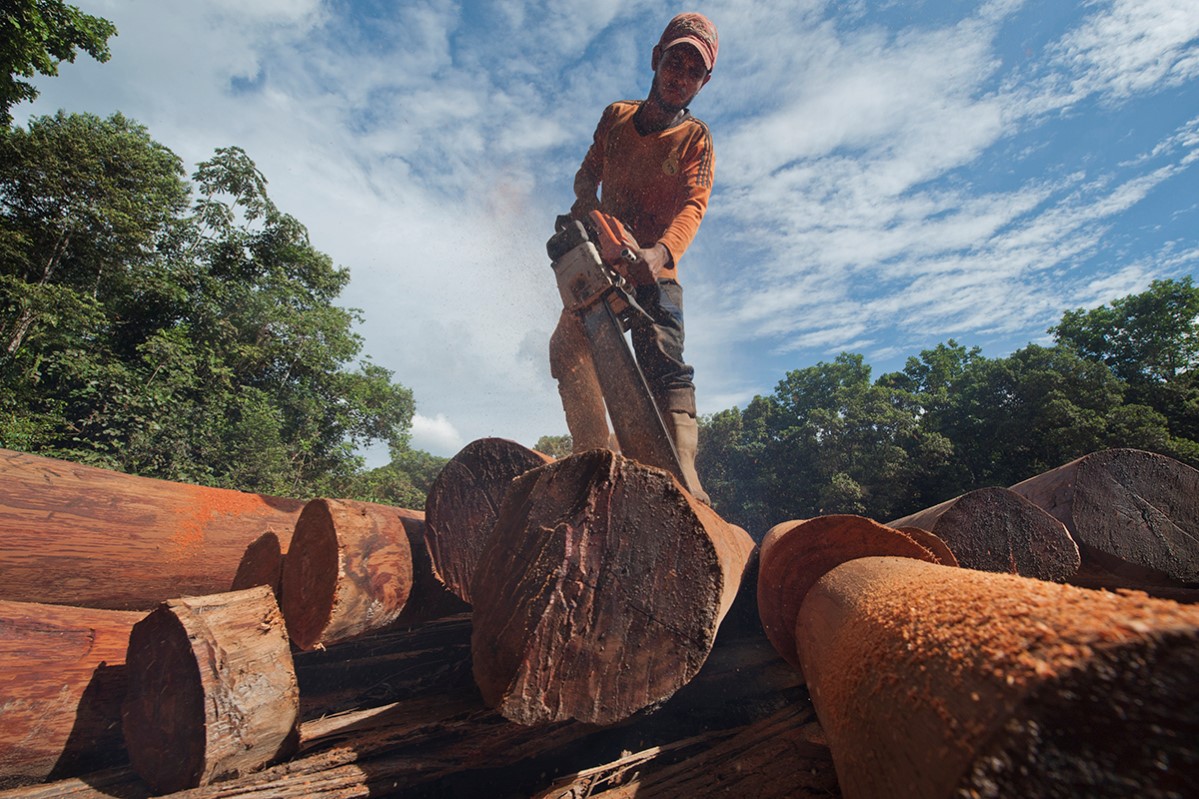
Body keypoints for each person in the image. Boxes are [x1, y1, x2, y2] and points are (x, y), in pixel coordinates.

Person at [549, 12, 718, 503]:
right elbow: (586, 174)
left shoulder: (696, 140)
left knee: (662, 359)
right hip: (603, 259)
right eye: (675, 61)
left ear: (703, 82)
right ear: (655, 58)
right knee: (566, 350)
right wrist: (592, 213)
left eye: (693, 71)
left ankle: (684, 474)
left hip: (654, 267)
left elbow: (693, 205)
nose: (680, 76)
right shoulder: (616, 117)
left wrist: (659, 252)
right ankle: (590, 452)